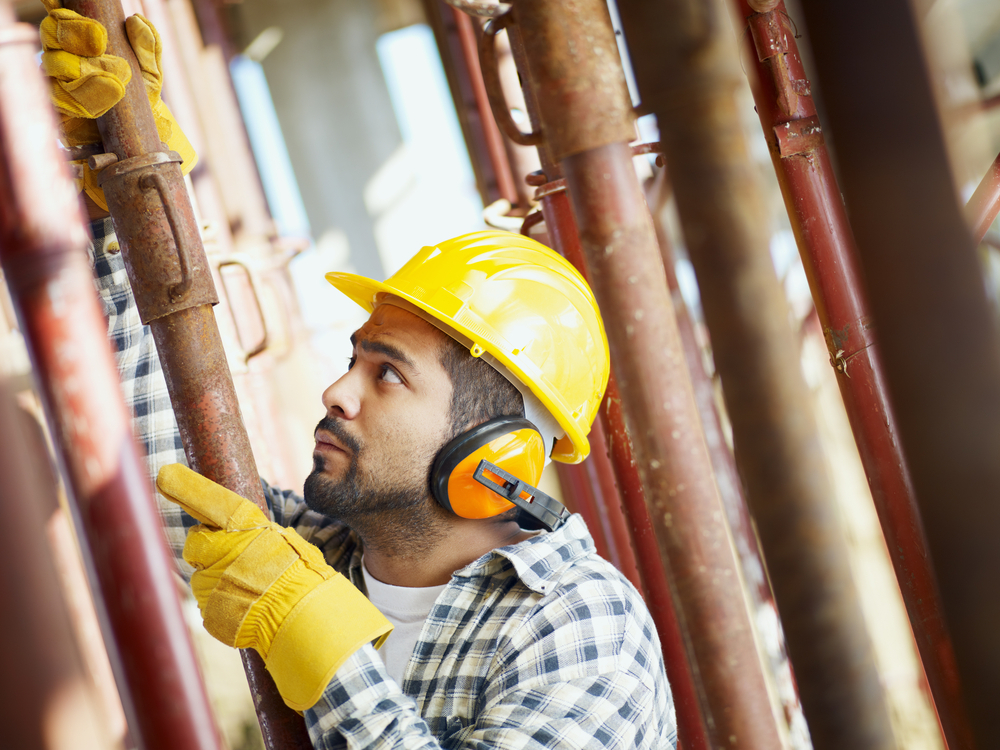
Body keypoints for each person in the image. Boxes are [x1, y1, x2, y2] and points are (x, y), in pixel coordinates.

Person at [44, 6, 677, 748]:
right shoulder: (324, 556)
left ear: (495, 453)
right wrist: (123, 208)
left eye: (389, 377)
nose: (336, 392)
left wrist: (322, 645)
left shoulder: (578, 622)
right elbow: (169, 493)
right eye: (355, 361)